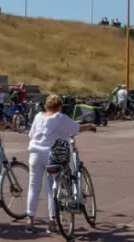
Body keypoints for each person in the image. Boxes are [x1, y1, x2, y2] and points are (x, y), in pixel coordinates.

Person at [26, 93, 96, 233]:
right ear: (59, 106)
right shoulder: (60, 117)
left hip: (34, 154)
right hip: (51, 155)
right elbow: (76, 129)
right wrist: (90, 126)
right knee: (51, 188)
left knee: (33, 187)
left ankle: (30, 220)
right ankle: (52, 221)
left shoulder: (38, 116)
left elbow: (31, 135)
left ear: (46, 105)